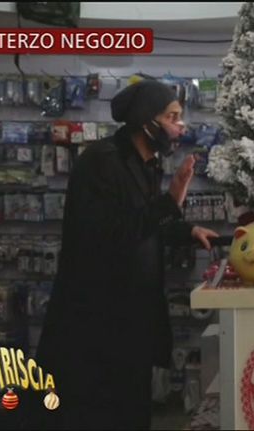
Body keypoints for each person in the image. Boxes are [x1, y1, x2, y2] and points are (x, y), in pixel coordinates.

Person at [36, 79, 219, 429]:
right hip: (98, 319)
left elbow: (145, 223)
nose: (180, 126)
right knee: (98, 410)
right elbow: (109, 233)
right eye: (172, 117)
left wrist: (187, 230)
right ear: (146, 121)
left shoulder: (146, 162)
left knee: (133, 405)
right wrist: (171, 201)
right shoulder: (102, 162)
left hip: (133, 316)